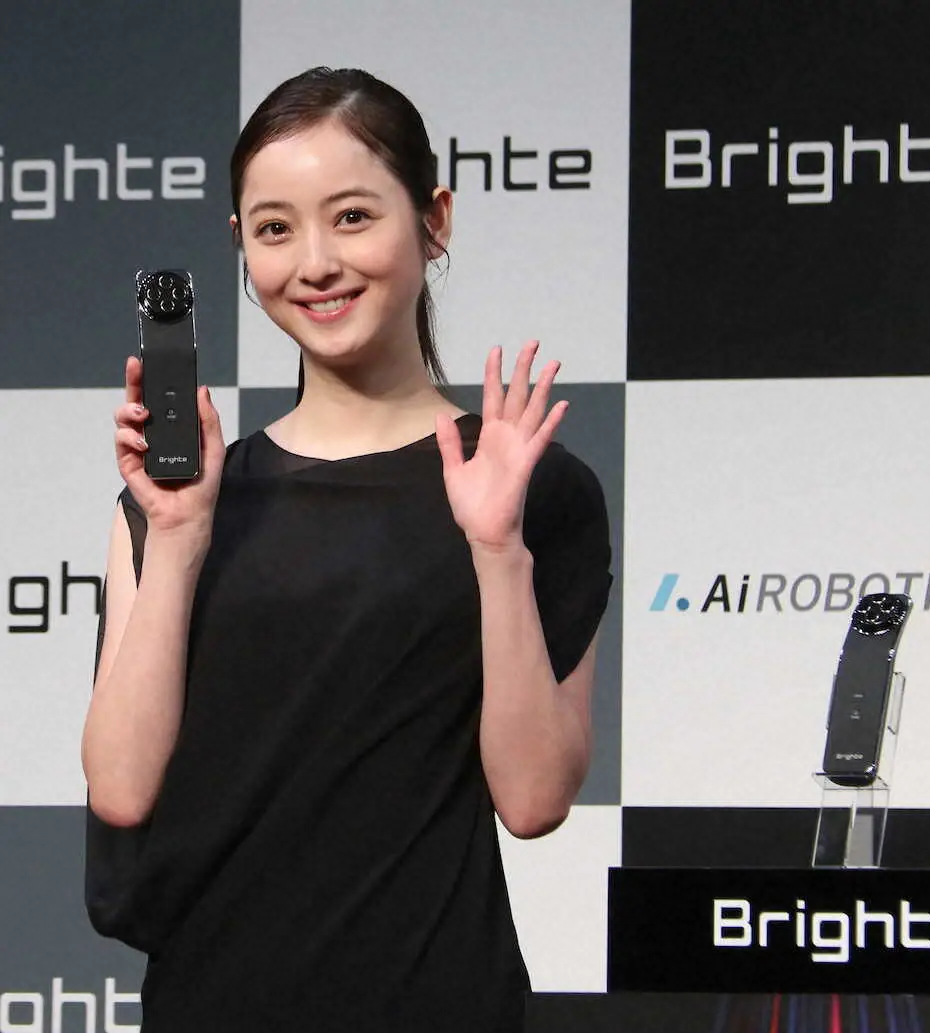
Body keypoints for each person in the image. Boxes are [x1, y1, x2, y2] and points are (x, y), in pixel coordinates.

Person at [81, 66, 613, 1033]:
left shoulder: (529, 487)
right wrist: (181, 535)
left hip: (438, 1002)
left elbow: (535, 798)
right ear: (243, 247)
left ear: (433, 219)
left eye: (354, 216)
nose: (316, 263)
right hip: (212, 1004)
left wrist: (496, 548)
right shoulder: (174, 502)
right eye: (275, 229)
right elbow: (120, 789)